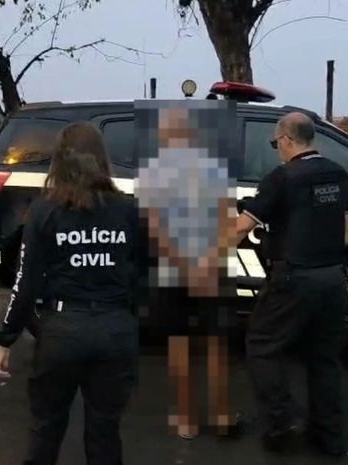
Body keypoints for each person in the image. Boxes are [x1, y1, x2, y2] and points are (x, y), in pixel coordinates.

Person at [0, 121, 143, 465]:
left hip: (62, 332)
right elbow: (143, 274)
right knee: (105, 432)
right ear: (102, 159)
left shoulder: (44, 211)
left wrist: (5, 339)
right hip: (115, 330)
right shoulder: (128, 210)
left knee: (46, 429)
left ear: (59, 160)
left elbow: (25, 283)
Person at [232, 112, 348, 457]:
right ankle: (329, 437)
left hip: (294, 280)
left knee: (263, 345)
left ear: (287, 140)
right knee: (324, 358)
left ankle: (280, 426)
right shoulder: (338, 173)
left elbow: (242, 227)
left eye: (276, 143)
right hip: (333, 279)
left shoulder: (282, 178)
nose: (277, 149)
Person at [136, 104, 242, 440]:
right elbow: (228, 222)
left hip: (172, 270)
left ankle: (185, 419)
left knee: (179, 344)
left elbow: (154, 229)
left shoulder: (152, 174)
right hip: (212, 269)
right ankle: (221, 415)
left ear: (164, 135)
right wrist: (208, 262)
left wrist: (184, 265)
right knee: (216, 343)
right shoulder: (215, 170)